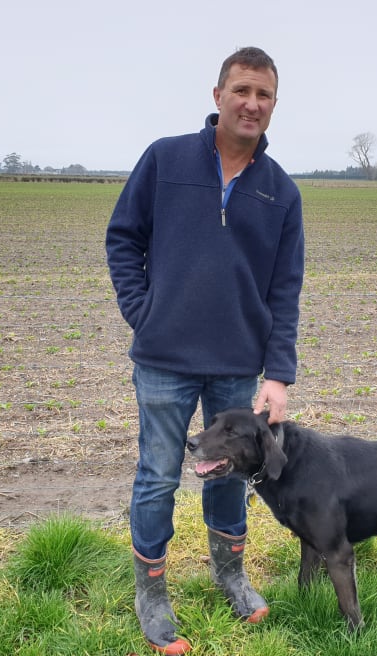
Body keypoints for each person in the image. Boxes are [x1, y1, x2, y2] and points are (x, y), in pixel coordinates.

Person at [105, 46, 305, 655]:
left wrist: (279, 374)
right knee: (158, 475)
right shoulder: (164, 160)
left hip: (236, 366)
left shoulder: (280, 192)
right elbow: (122, 239)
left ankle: (231, 574)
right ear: (217, 96)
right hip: (163, 360)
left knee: (228, 476)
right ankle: (153, 591)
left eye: (264, 94)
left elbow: (284, 288)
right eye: (242, 90)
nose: (252, 103)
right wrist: (146, 314)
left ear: (274, 106)